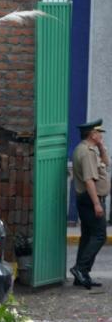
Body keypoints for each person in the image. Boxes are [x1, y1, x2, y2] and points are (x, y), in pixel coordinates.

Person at [70, 118, 110, 289]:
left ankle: (82, 275)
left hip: (89, 199)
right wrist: (97, 204)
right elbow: (88, 181)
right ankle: (80, 268)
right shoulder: (85, 152)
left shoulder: (92, 149)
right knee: (99, 236)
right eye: (99, 133)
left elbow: (107, 164)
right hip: (90, 199)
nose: (101, 135)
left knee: (87, 237)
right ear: (92, 134)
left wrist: (101, 148)